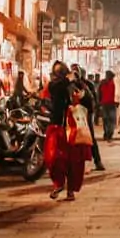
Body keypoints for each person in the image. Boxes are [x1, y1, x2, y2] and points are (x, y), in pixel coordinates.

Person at [46, 61, 92, 200]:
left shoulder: (77, 85)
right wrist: (67, 80)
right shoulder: (55, 85)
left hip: (74, 129)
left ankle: (70, 190)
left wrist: (81, 94)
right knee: (55, 159)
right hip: (58, 127)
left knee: (74, 162)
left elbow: (90, 103)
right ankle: (59, 184)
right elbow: (55, 89)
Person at [72, 66, 105, 171]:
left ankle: (97, 161)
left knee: (89, 137)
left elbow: (93, 100)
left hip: (86, 114)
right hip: (73, 114)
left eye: (76, 72)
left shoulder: (87, 85)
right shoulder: (70, 84)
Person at [98, 70, 117, 141]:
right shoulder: (114, 83)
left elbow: (99, 93)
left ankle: (106, 134)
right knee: (111, 120)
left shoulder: (102, 83)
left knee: (106, 120)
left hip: (104, 103)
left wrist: (99, 102)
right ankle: (109, 134)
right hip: (111, 104)